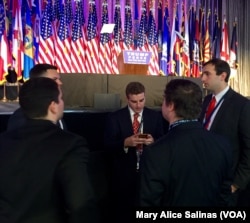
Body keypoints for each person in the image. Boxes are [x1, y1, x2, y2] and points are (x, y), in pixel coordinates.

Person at [0, 77, 99, 223]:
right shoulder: (69, 144)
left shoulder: (3, 141)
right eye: (61, 98)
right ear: (53, 106)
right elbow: (80, 205)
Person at [137, 79, 233, 207]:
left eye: (164, 99)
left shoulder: (155, 152)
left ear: (170, 106)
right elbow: (225, 196)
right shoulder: (223, 145)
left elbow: (148, 204)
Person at [104, 81, 164, 222]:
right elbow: (106, 146)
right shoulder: (114, 118)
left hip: (148, 174)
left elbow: (164, 141)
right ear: (127, 99)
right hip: (123, 175)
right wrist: (125, 143)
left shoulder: (155, 116)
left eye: (141, 100)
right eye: (134, 101)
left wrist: (153, 142)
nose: (138, 105)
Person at [200, 58, 250, 206]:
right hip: (203, 179)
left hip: (226, 185)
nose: (202, 78)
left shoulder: (242, 105)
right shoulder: (206, 100)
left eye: (207, 74)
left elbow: (248, 148)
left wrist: (236, 184)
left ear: (222, 76)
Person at [7, 63, 67, 131]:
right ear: (39, 81)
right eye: (54, 79)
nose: (60, 83)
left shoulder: (56, 110)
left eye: (59, 79)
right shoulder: (21, 117)